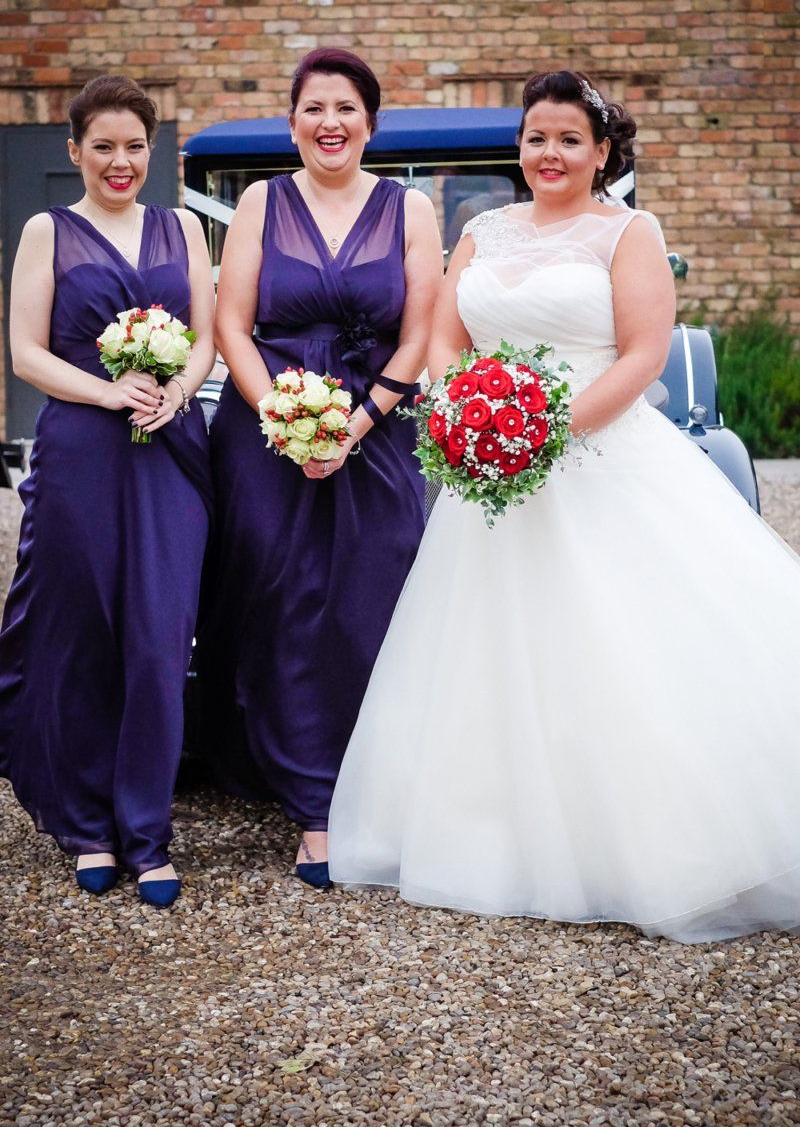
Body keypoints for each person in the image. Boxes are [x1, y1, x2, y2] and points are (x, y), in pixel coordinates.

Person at [328, 70, 800, 942]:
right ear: (521, 147)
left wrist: (542, 434)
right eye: (537, 137)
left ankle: (650, 845)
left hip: (600, 454)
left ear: (602, 150)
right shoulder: (482, 231)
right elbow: (445, 339)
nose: (551, 153)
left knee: (626, 645)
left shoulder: (629, 231)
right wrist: (467, 417)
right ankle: (496, 839)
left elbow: (643, 356)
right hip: (489, 478)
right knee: (489, 650)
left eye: (569, 139)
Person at [196, 48, 442, 888]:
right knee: (283, 602)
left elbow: (418, 333)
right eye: (313, 108)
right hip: (268, 431)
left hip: (378, 430)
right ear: (292, 121)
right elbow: (232, 325)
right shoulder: (261, 202)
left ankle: (377, 784)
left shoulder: (410, 210)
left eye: (345, 107)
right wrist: (287, 420)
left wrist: (359, 420)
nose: (329, 122)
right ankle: (311, 805)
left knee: (375, 597)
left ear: (369, 122)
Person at [0, 76, 215, 907]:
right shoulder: (46, 230)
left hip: (170, 448)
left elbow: (201, 333)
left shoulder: (183, 226)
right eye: (103, 147)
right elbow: (25, 352)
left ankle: (147, 832)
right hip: (85, 448)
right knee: (83, 632)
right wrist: (107, 392)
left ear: (150, 152)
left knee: (161, 642)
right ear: (74, 151)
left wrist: (178, 390)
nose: (119, 162)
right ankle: (87, 825)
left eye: (134, 147)